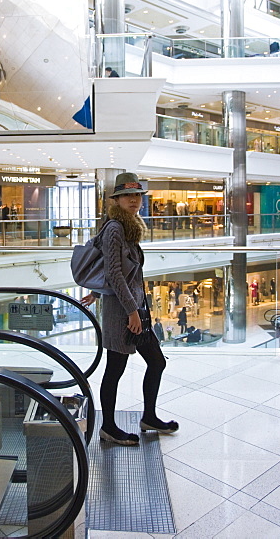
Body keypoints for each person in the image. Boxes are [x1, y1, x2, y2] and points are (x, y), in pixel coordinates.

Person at [80, 173, 178, 445]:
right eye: (127, 195)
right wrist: (132, 312)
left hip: (134, 308)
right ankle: (109, 427)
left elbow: (117, 268)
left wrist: (97, 293)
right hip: (123, 312)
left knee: (156, 362)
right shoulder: (115, 228)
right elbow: (113, 273)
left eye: (137, 195)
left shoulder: (129, 225)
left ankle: (149, 416)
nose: (134, 200)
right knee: (114, 369)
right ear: (117, 200)